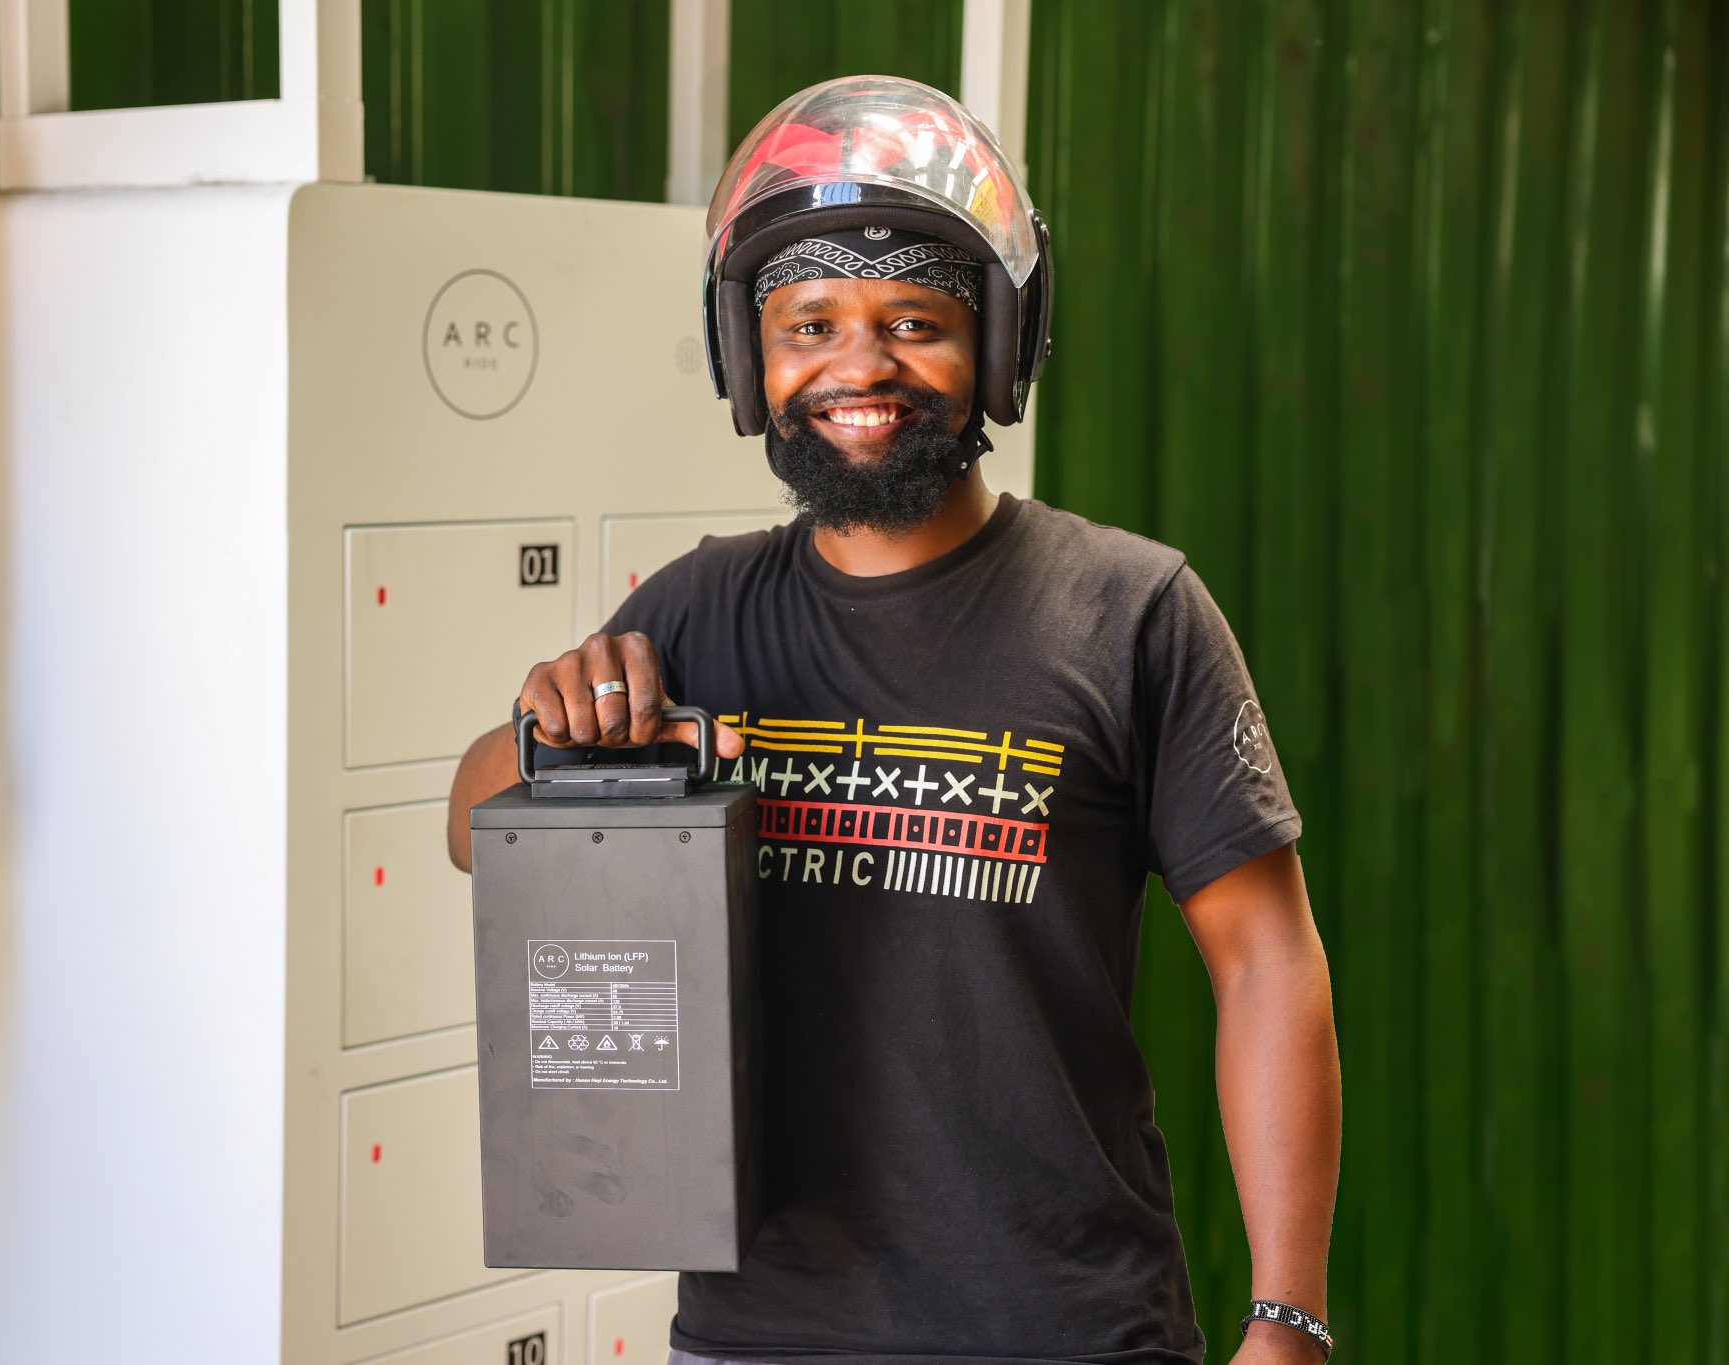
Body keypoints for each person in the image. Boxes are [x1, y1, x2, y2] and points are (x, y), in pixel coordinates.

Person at [447, 76, 1341, 1365]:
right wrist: (550, 717)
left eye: (913, 320)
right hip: (760, 1334)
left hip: (1069, 1331)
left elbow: (1267, 963)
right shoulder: (698, 611)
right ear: (749, 355)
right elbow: (474, 828)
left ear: (1000, 339)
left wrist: (1288, 1315)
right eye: (809, 322)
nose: (858, 366)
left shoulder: (1133, 610)